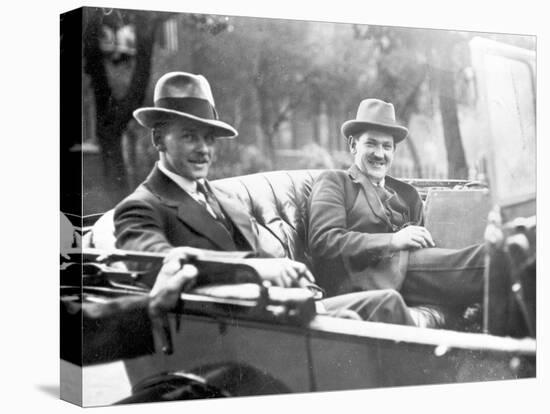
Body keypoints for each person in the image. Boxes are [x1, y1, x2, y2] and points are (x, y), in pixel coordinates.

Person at [113, 72, 420, 326]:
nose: (203, 149)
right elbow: (163, 262)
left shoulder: (222, 199)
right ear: (157, 138)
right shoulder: (141, 207)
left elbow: (262, 256)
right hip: (236, 324)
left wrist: (293, 277)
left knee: (387, 302)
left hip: (283, 305)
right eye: (189, 136)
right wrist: (255, 270)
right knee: (369, 317)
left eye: (208, 138)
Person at [307, 98, 486, 310]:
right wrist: (393, 240)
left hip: (415, 274)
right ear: (354, 145)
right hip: (369, 282)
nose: (379, 154)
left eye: (387, 146)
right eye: (371, 143)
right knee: (491, 259)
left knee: (491, 252)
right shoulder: (335, 182)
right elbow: (323, 241)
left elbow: (426, 243)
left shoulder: (406, 194)